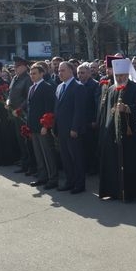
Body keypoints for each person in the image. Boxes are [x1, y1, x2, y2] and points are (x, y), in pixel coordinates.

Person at [98, 59, 136, 201]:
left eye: (122, 75)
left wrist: (128, 108)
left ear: (128, 74)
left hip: (130, 133)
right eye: (117, 76)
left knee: (130, 163)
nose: (119, 78)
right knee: (113, 163)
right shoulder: (111, 89)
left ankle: (132, 193)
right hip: (113, 132)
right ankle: (115, 191)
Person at [54, 61, 87, 194]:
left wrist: (75, 128)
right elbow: (57, 109)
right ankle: (70, 181)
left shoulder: (78, 87)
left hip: (72, 130)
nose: (59, 73)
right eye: (58, 71)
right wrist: (54, 127)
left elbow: (79, 110)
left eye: (62, 70)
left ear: (71, 71)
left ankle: (79, 184)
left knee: (76, 157)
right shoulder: (59, 87)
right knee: (66, 158)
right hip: (61, 129)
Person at [28, 63, 58, 190]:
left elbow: (49, 108)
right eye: (31, 74)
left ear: (42, 74)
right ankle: (42, 176)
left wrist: (46, 125)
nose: (32, 76)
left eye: (35, 73)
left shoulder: (47, 87)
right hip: (34, 126)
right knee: (39, 153)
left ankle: (53, 178)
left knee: (47, 153)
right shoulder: (31, 88)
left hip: (43, 127)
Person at [7, 57, 34, 175]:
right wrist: (8, 101)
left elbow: (28, 98)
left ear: (24, 67)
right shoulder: (15, 78)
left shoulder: (28, 79)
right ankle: (24, 163)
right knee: (20, 140)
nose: (15, 68)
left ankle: (30, 165)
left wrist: (19, 109)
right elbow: (10, 93)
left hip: (23, 114)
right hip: (14, 113)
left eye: (17, 66)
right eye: (15, 66)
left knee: (26, 141)